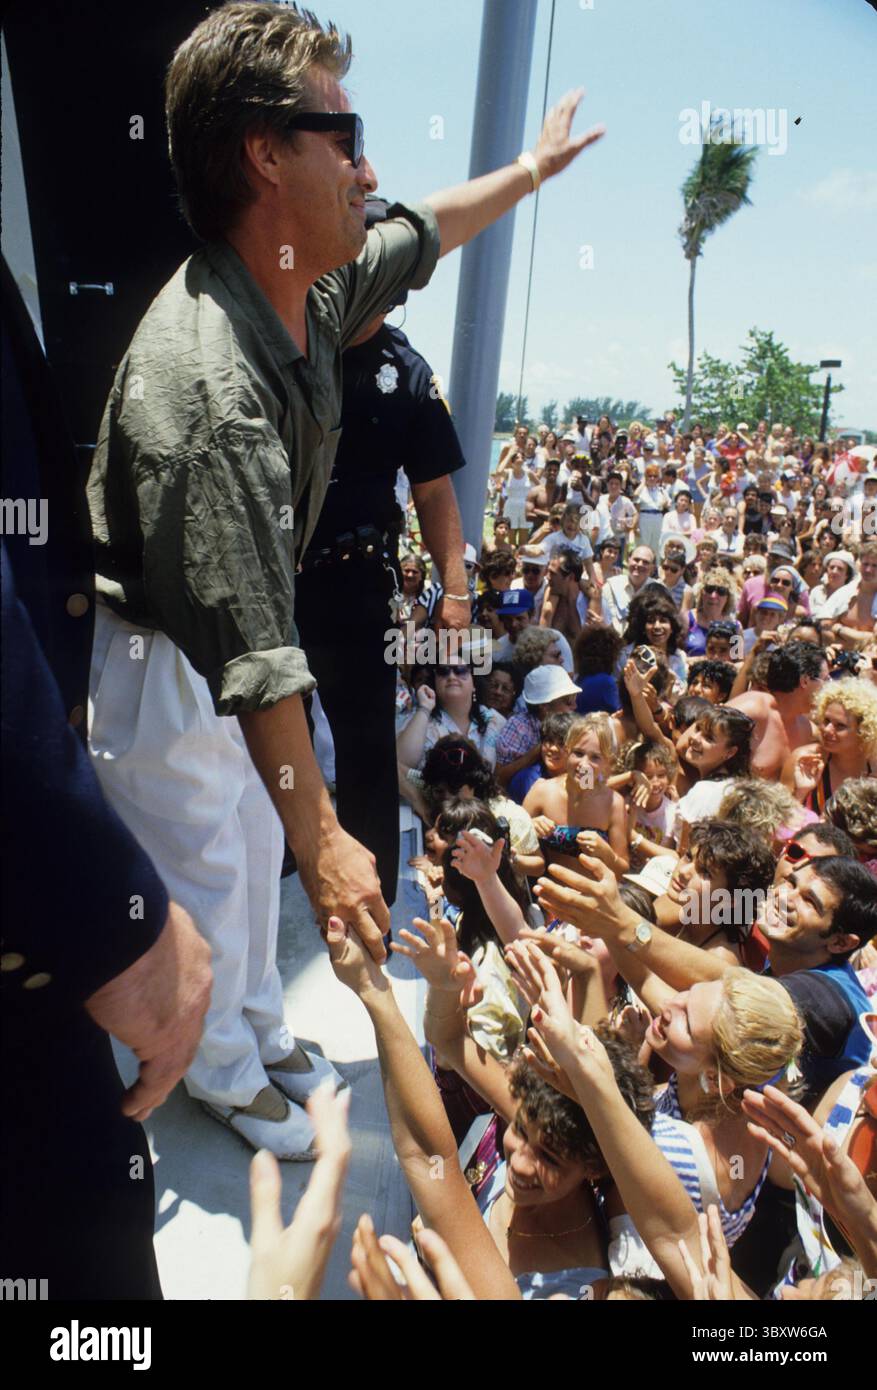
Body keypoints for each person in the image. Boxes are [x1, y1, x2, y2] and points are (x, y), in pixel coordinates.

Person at [84, 3, 604, 1156]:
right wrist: (326, 840)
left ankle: (259, 1032)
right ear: (265, 156)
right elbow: (255, 660)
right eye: (345, 139)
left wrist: (530, 170)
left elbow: (426, 228)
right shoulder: (210, 388)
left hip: (241, 654)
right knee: (212, 872)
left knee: (249, 865)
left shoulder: (303, 285)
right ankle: (224, 1075)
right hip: (175, 664)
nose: (370, 171)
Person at [295, 201, 470, 906]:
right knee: (258, 730)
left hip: (357, 586)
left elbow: (433, 491)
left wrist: (455, 591)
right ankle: (276, 864)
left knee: (366, 743)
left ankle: (371, 899)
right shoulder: (286, 338)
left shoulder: (410, 373)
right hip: (273, 575)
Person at [523, 714, 629, 878]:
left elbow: (622, 871)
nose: (584, 765)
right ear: (567, 752)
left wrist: (607, 854)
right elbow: (511, 842)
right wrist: (529, 827)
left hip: (594, 892)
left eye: (595, 757)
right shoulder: (542, 791)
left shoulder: (613, 803)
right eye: (578, 753)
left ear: (607, 763)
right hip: (549, 890)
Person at [730, 641, 828, 779]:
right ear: (805, 681)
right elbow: (697, 746)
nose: (828, 688)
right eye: (825, 680)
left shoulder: (807, 730)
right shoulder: (752, 708)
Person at [782, 678, 877, 814]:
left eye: (840, 726)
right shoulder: (803, 761)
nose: (827, 729)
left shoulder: (874, 768)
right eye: (826, 721)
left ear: (864, 730)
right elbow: (780, 821)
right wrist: (801, 793)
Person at [674, 706, 755, 853]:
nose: (695, 738)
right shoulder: (735, 785)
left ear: (730, 752)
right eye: (697, 729)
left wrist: (634, 836)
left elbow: (685, 855)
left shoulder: (705, 792)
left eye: (709, 738)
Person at [397, 662, 506, 771]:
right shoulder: (419, 718)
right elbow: (398, 765)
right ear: (434, 682)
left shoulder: (496, 721)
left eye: (461, 670)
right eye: (443, 671)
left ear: (474, 683)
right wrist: (425, 708)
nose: (451, 676)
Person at [495, 665, 582, 790]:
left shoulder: (574, 724)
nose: (575, 706)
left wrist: (591, 790)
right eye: (568, 702)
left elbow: (590, 785)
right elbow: (498, 779)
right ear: (545, 706)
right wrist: (534, 754)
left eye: (561, 742)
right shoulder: (519, 728)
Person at [601, 545, 656, 635]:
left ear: (653, 568)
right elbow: (601, 617)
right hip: (612, 639)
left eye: (645, 562)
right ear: (628, 560)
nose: (639, 564)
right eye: (636, 560)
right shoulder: (611, 586)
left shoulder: (658, 591)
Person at [686, 569, 741, 656]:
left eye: (721, 591)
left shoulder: (736, 627)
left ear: (728, 597)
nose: (713, 596)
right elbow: (675, 656)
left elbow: (738, 659)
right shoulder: (687, 619)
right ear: (702, 593)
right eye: (709, 589)